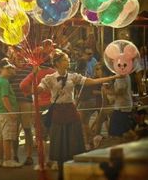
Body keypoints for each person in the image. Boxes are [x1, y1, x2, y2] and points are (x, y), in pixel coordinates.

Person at [37, 49, 121, 180]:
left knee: (73, 144)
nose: (68, 61)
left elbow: (91, 81)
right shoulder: (49, 78)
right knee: (60, 146)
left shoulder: (73, 76)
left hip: (71, 111)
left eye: (68, 59)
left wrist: (113, 77)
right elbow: (38, 89)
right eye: (65, 59)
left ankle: (71, 173)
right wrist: (36, 83)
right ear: (57, 63)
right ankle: (61, 174)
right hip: (58, 113)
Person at [20, 57, 55, 170]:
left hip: (39, 106)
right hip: (53, 105)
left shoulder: (36, 73)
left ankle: (43, 162)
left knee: (41, 136)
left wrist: (30, 92)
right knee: (53, 134)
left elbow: (23, 85)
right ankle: (53, 161)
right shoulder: (54, 72)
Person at [0, 58, 22, 168]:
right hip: (6, 113)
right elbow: (5, 98)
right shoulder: (4, 81)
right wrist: (11, 112)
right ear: (1, 69)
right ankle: (8, 160)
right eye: (7, 69)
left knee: (1, 137)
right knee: (8, 138)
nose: (10, 71)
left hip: (1, 112)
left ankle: (0, 159)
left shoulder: (0, 80)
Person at [10, 46, 34, 166]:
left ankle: (29, 156)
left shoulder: (30, 68)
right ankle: (14, 156)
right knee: (14, 130)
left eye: (21, 54)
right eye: (17, 54)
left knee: (27, 129)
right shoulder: (10, 68)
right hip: (14, 102)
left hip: (26, 102)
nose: (19, 56)